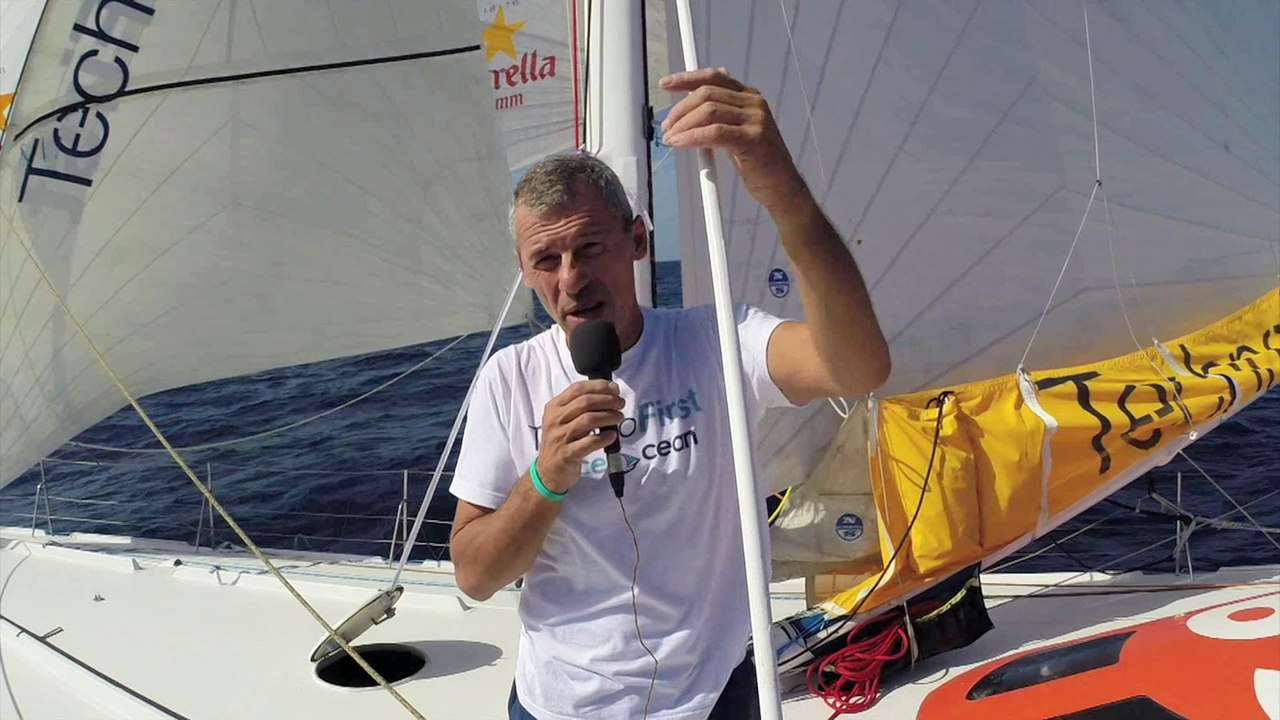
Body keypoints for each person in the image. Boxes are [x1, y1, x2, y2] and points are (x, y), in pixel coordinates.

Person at [448, 67, 891, 720]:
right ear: (526, 272)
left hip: (713, 696)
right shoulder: (508, 379)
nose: (570, 279)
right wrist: (546, 476)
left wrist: (780, 186)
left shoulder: (717, 342)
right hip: (560, 707)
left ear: (637, 240)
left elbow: (858, 367)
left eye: (589, 247)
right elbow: (475, 575)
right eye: (546, 260)